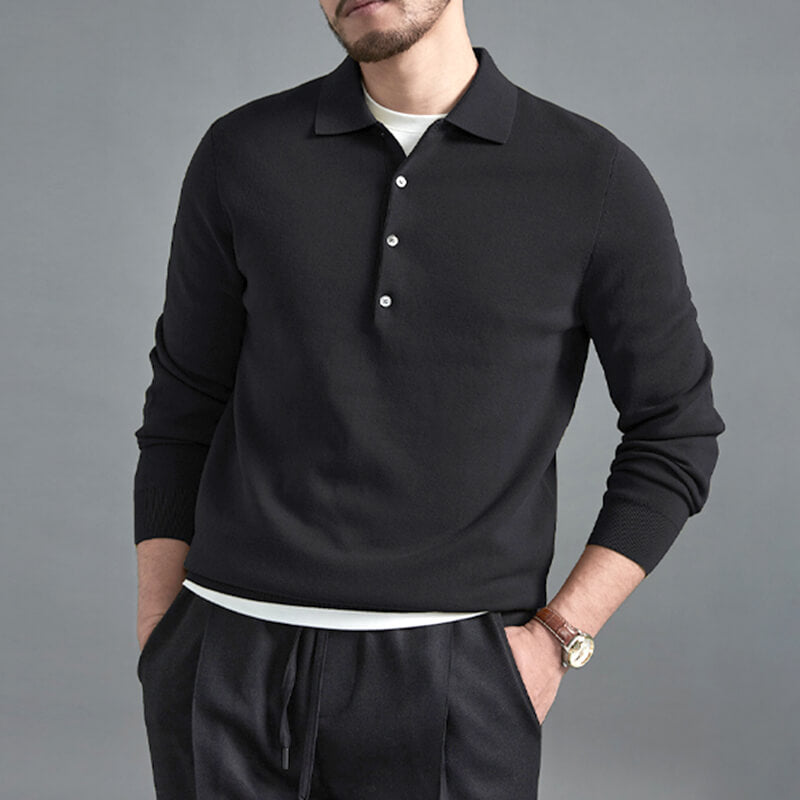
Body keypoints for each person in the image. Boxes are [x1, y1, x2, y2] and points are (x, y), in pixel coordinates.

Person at [132, 1, 725, 798]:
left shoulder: (592, 176)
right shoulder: (242, 152)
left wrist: (558, 638)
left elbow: (676, 430)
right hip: (227, 659)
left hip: (456, 679)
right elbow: (184, 402)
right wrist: (163, 635)